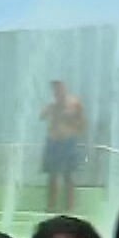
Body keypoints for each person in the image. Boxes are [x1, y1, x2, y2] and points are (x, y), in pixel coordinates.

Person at [42, 81, 86, 213]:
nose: (57, 93)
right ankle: (51, 205)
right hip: (53, 142)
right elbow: (41, 116)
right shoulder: (52, 106)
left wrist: (70, 120)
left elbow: (83, 123)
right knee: (52, 175)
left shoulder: (74, 104)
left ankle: (70, 207)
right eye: (54, 90)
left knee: (68, 175)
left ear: (64, 89)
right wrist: (48, 112)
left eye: (59, 89)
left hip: (68, 141)